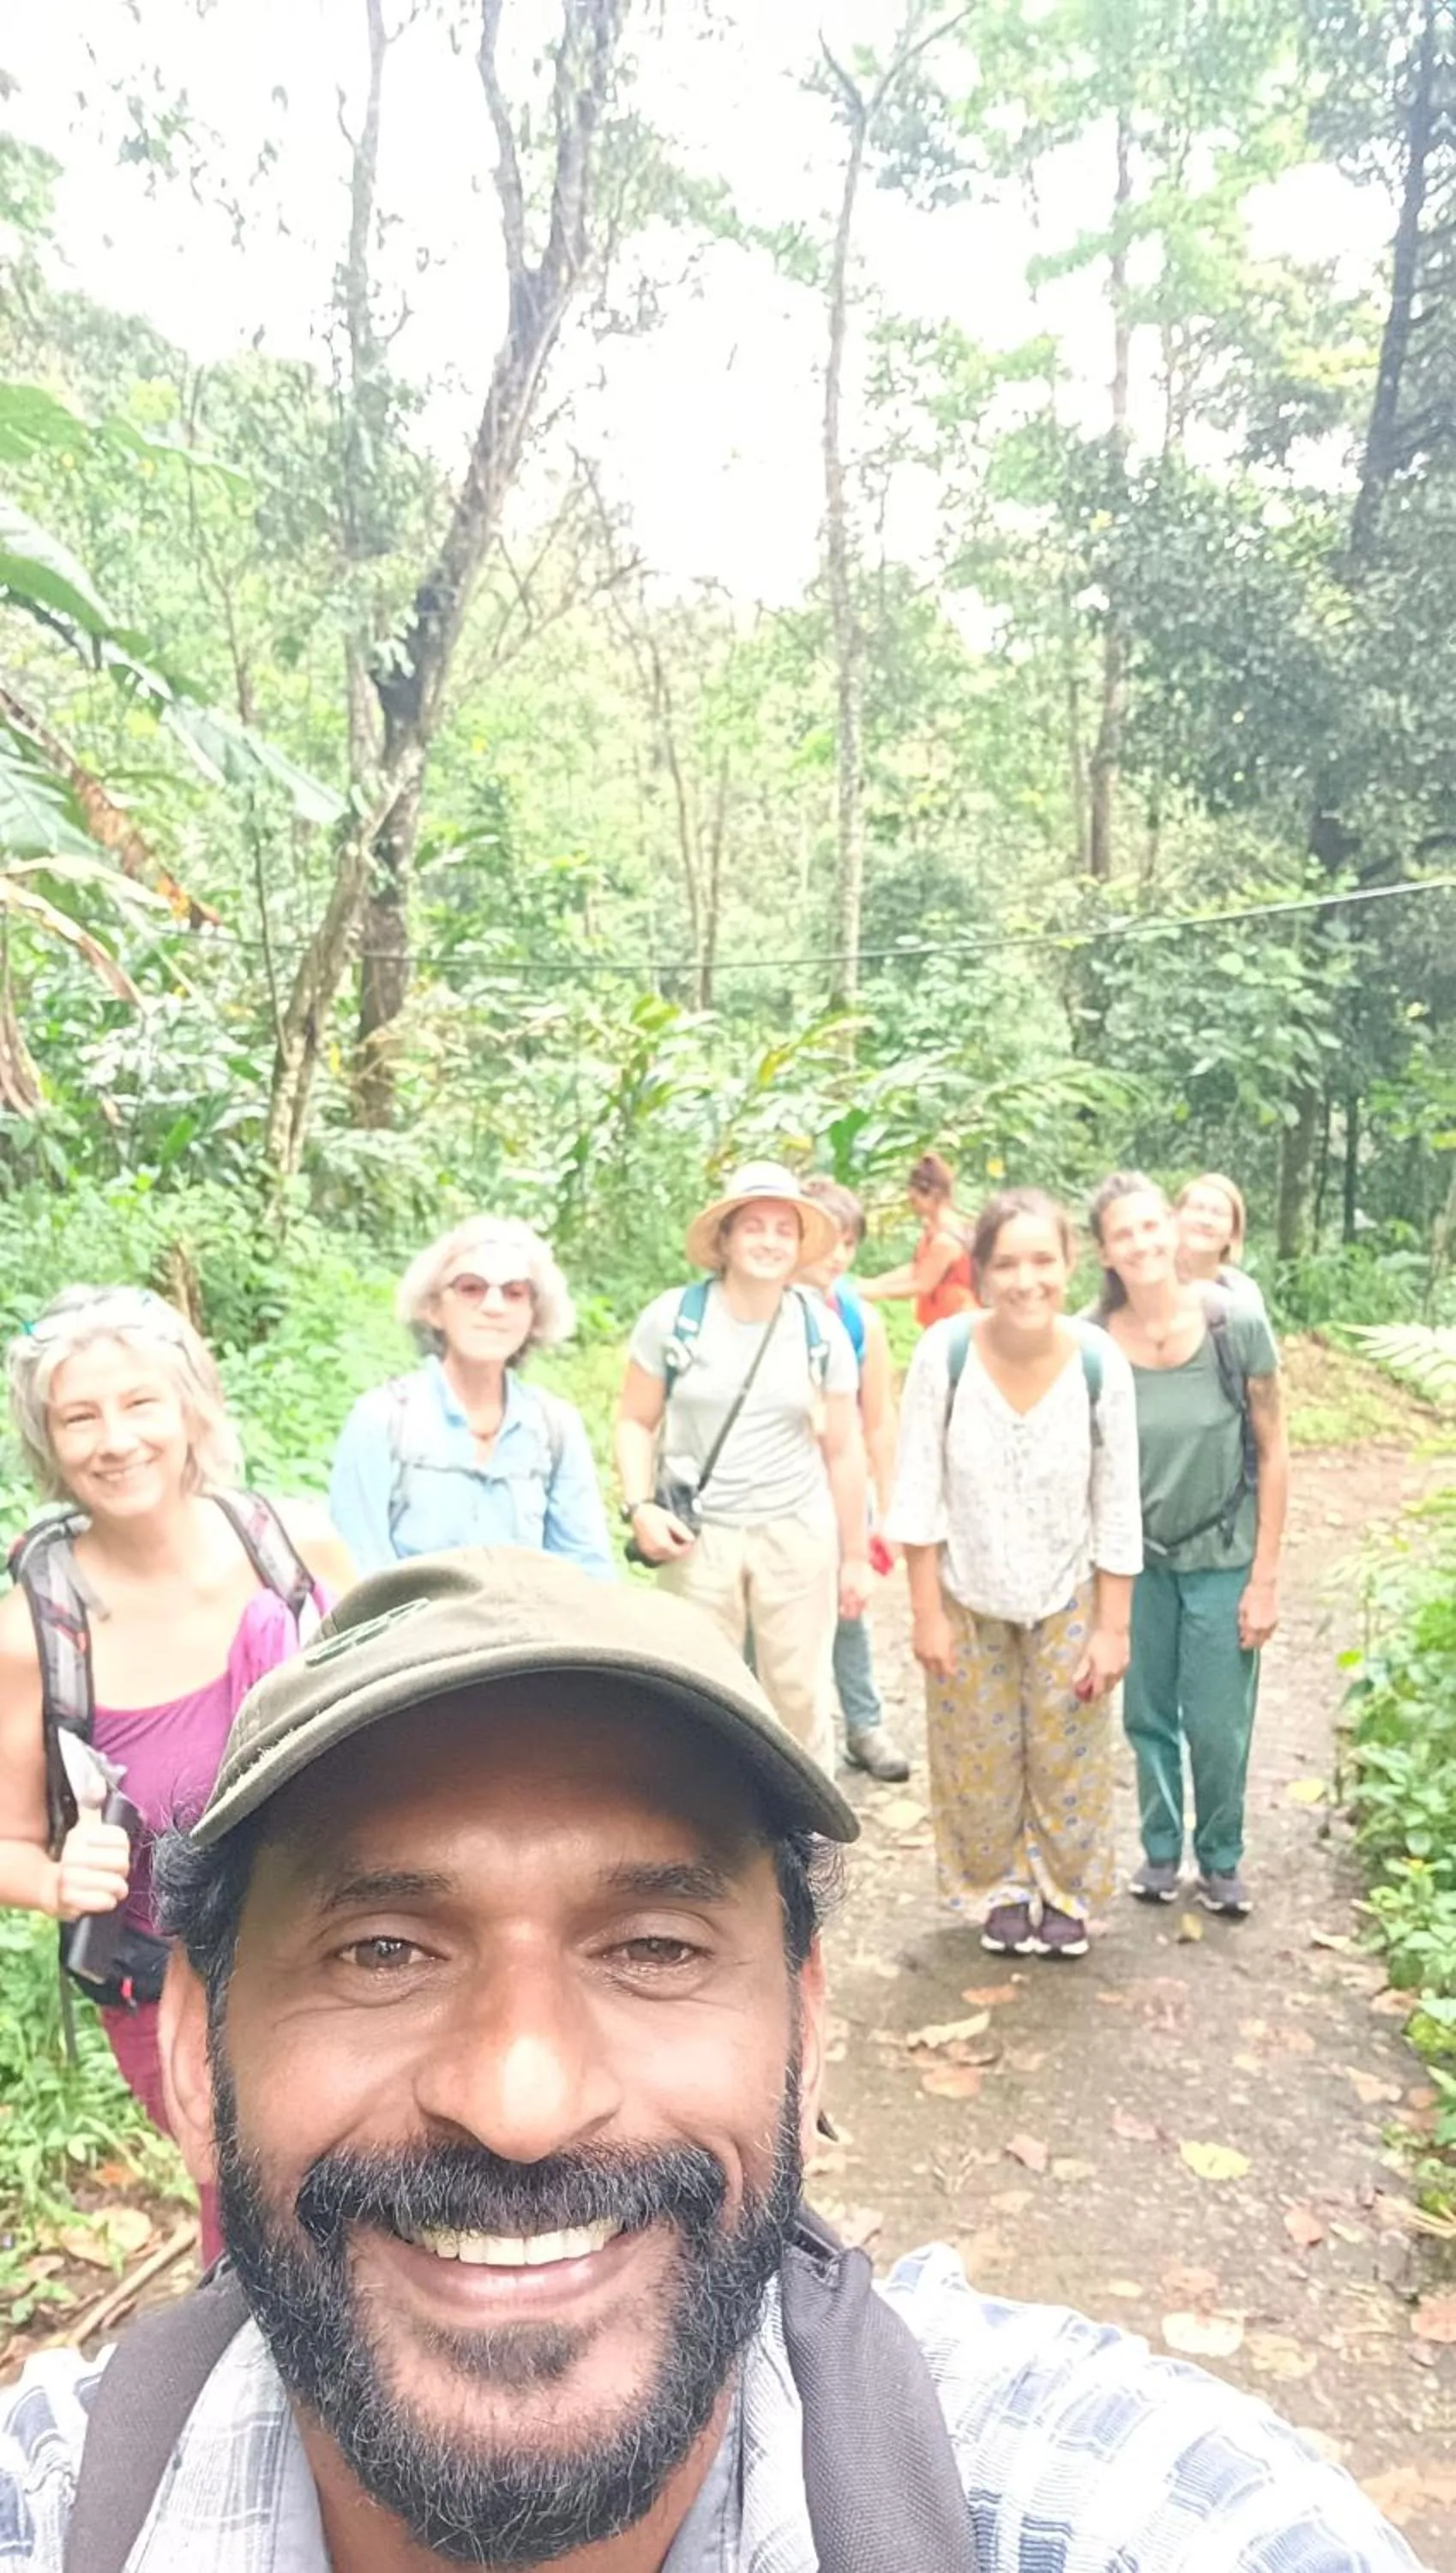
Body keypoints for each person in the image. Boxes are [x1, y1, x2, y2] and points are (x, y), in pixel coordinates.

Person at [0, 1550, 1423, 2572]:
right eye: (382, 1951)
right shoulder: (50, 2509)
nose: (521, 2101)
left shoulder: (1110, 2511)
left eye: (657, 1949)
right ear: (192, 2051)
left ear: (807, 2030)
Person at [0, 1285, 352, 2263]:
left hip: (342, 1948)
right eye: (81, 1416)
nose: (116, 1439)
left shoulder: (298, 1552)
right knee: (253, 2210)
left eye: (140, 1403)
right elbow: (9, 1844)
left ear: (192, 1408)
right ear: (49, 1444)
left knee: (372, 2184)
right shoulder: (34, 1631)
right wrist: (56, 1881)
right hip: (168, 1988)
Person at [888, 1190, 1143, 1959]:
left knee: (1072, 1754)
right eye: (1007, 1263)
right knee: (976, 1755)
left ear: (1070, 1266)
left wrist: (1113, 1627)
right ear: (980, 1272)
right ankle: (997, 1886)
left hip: (1068, 1593)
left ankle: (1065, 1893)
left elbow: (1118, 1499)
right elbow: (917, 1487)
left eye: (1043, 1261)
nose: (1026, 1281)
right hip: (968, 1594)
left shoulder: (1101, 1363)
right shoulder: (947, 1353)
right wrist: (926, 1611)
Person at [616, 1160, 869, 1774]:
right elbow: (634, 1421)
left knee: (799, 1692)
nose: (769, 1241)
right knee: (699, 1688)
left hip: (794, 1530)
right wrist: (639, 1505)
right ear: (725, 1240)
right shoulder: (674, 1321)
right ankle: (701, 1829)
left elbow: (843, 1447)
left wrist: (856, 1555)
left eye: (784, 1229)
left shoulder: (820, 1331)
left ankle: (809, 1843)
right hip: (699, 1537)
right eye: (753, 1226)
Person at [1088, 1172, 1290, 1917]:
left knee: (1217, 1720)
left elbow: (1273, 1448)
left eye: (1150, 1227)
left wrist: (1264, 1575)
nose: (1141, 1244)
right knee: (1146, 1714)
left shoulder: (1233, 1326)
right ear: (1105, 1251)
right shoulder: (1091, 1338)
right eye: (1123, 1234)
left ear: (1172, 1230)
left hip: (1223, 1556)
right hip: (1133, 1563)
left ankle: (1222, 1856)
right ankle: (1161, 1851)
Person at [328, 1214, 612, 1579]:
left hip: (530, 1631)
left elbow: (586, 1569)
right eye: (470, 1288)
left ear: (534, 1314)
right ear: (433, 1308)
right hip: (410, 1632)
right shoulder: (383, 1419)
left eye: (514, 1293)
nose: (494, 1307)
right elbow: (357, 1571)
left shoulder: (555, 1428)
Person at [797, 1175, 909, 1783]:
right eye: (827, 1240)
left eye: (849, 1243)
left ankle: (864, 1724)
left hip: (841, 1483)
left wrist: (887, 1507)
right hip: (778, 1488)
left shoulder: (858, 1319)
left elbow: (879, 1418)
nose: (837, 1255)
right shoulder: (765, 1309)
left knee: (850, 1607)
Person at [858, 1150, 975, 1329]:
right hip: (940, 1321)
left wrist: (877, 1291)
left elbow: (922, 1285)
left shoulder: (946, 1240)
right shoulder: (934, 1231)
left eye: (915, 1200)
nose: (914, 1207)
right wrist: (874, 1283)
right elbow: (918, 1268)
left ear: (932, 1195)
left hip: (959, 1324)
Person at [1175, 1172, 1270, 1316]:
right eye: (1197, 1208)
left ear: (1234, 1232)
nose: (1206, 1221)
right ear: (1174, 1217)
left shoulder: (1244, 1294)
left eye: (1218, 1213)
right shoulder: (1146, 1279)